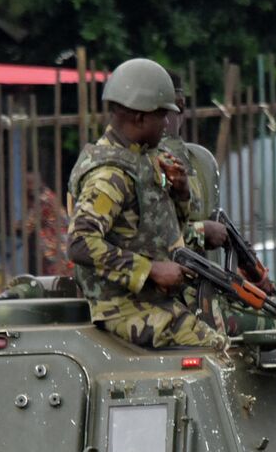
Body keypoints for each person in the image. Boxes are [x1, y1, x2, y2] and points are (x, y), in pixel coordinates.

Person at [66, 58, 228, 350]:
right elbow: (80, 242)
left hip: (156, 299)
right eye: (162, 116)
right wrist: (150, 270)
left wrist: (180, 194)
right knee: (216, 352)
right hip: (122, 307)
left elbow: (160, 231)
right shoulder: (110, 175)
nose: (167, 124)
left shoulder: (143, 159)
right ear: (139, 118)